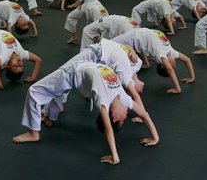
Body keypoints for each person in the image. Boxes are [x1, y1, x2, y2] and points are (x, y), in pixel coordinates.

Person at [11, 62, 159, 165]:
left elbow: (108, 129)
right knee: (57, 91)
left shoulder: (103, 101)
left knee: (34, 91)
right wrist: (155, 138)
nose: (127, 116)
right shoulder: (125, 100)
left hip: (72, 73)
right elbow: (144, 114)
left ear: (114, 117)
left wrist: (115, 157)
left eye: (123, 120)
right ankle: (48, 119)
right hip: (89, 64)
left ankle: (33, 133)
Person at [112, 28, 196, 94]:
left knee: (107, 45)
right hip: (138, 35)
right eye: (174, 67)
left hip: (133, 38)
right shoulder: (172, 52)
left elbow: (169, 69)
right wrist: (192, 77)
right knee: (106, 46)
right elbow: (187, 60)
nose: (174, 66)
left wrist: (177, 89)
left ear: (163, 65)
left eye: (172, 67)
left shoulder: (160, 54)